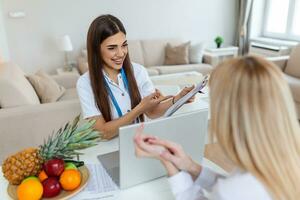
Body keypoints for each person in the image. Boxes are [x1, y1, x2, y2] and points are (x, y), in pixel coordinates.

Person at [134, 56, 300, 200]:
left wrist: (170, 166)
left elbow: (231, 191)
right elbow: (234, 186)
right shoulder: (285, 162)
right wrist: (190, 166)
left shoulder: (234, 190)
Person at [77, 14, 195, 140]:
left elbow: (152, 112)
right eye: (112, 48)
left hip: (139, 142)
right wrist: (139, 109)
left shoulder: (139, 71)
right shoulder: (85, 83)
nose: (121, 53)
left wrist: (179, 98)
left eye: (124, 45)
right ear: (96, 49)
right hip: (108, 147)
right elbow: (102, 133)